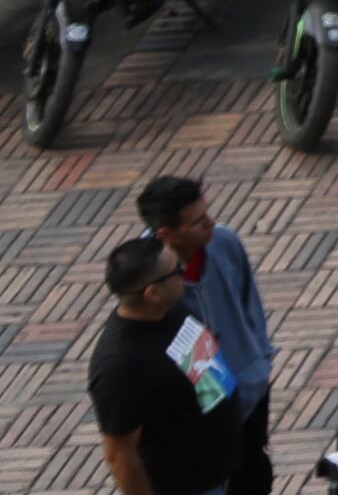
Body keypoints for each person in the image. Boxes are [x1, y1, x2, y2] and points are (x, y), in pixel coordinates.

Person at [131, 175, 271, 495]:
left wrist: (259, 362)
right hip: (204, 415)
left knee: (255, 475)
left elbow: (249, 302)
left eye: (207, 214)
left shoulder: (224, 242)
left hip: (250, 394)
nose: (211, 224)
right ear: (166, 233)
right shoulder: (153, 285)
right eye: (198, 221)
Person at [89, 232, 243, 495]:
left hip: (228, 468)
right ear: (153, 292)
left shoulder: (169, 308)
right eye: (177, 270)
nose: (184, 272)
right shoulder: (121, 365)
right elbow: (120, 458)